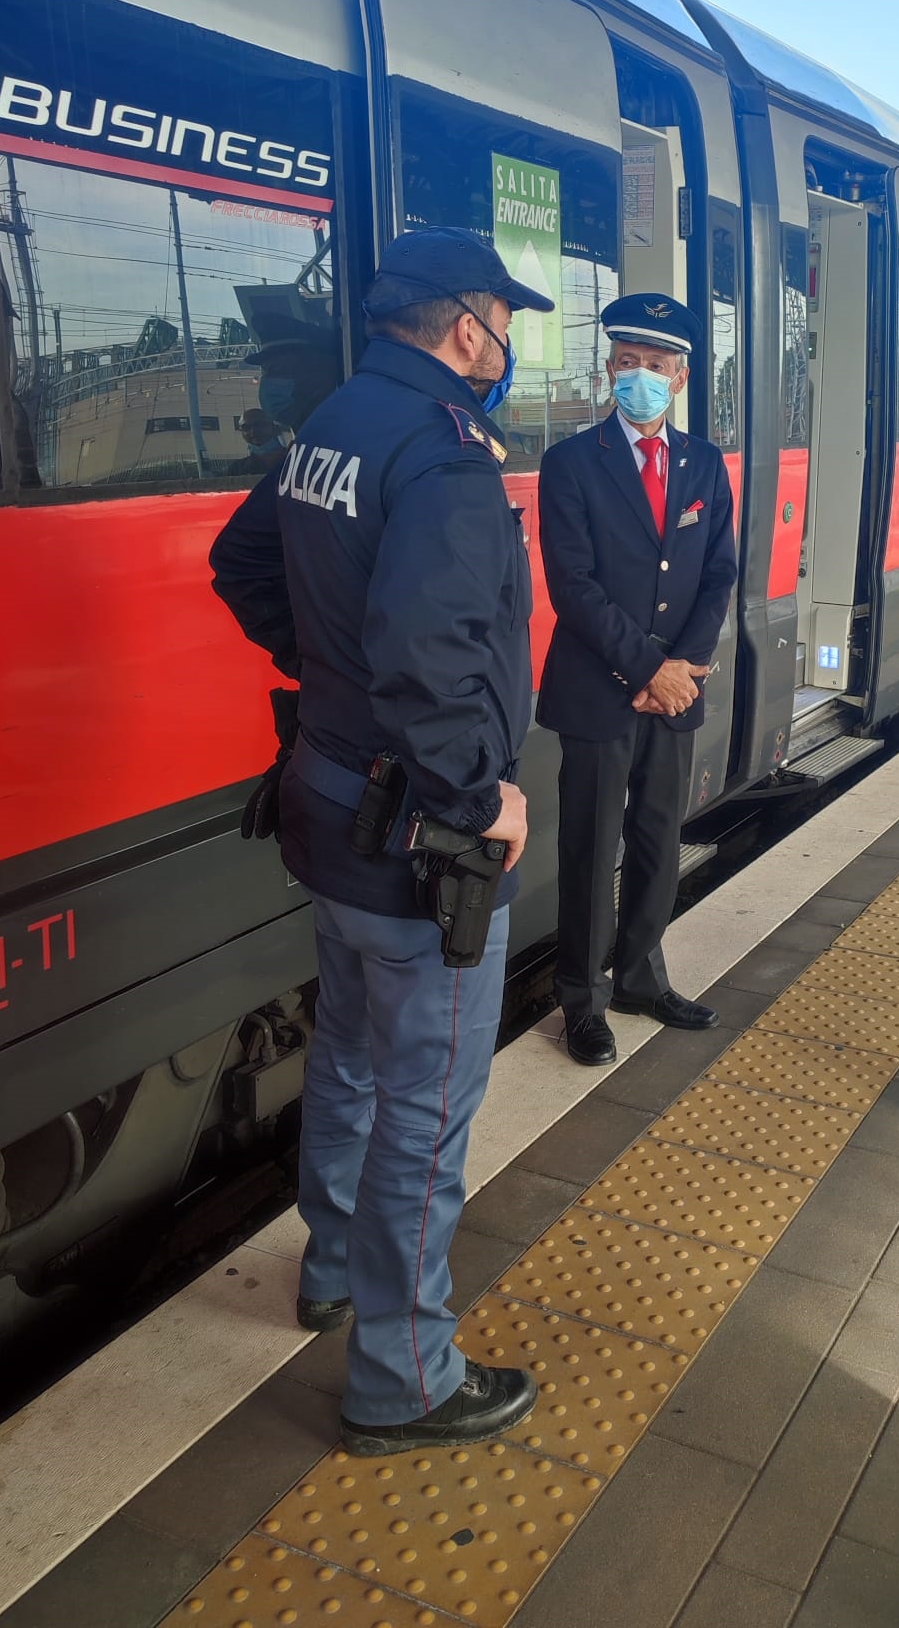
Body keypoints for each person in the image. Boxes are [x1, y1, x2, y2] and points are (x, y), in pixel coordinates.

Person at [209, 226, 550, 1455]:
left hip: (324, 805)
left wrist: (324, 669)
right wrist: (478, 801)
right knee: (427, 1104)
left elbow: (241, 560)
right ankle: (404, 1378)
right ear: (465, 326)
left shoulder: (333, 426)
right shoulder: (446, 456)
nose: (506, 343)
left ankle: (334, 1265)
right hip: (418, 839)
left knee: (348, 1050)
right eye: (503, 320)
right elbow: (431, 660)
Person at [537, 293, 737, 1067]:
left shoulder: (703, 465)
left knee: (659, 837)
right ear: (609, 371)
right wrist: (650, 667)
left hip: (674, 689)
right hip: (600, 687)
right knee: (591, 846)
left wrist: (679, 668)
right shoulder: (570, 464)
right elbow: (573, 585)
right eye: (627, 364)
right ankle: (581, 1000)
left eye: (655, 366)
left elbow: (718, 572)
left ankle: (642, 976)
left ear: (680, 379)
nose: (639, 378)